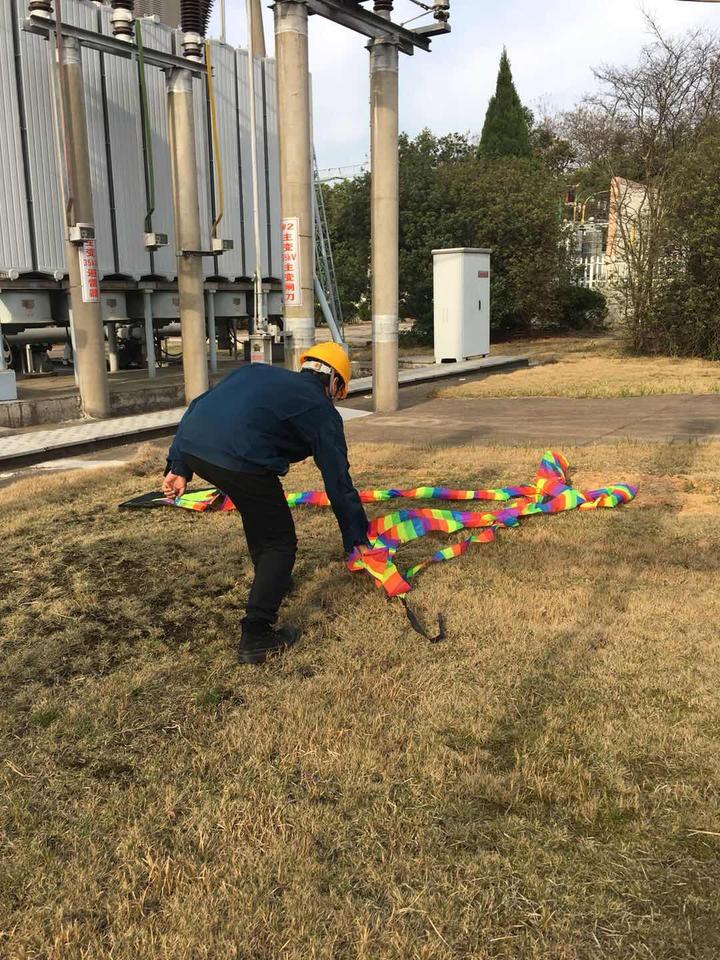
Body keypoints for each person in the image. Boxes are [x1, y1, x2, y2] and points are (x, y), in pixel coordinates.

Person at [163, 342, 370, 665]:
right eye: (338, 391)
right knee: (279, 541)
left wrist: (179, 467)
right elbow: (338, 483)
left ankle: (272, 580)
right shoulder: (321, 410)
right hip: (241, 460)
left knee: (257, 511)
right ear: (335, 383)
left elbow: (200, 405)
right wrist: (356, 539)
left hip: (192, 447)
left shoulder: (256, 371)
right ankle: (257, 634)